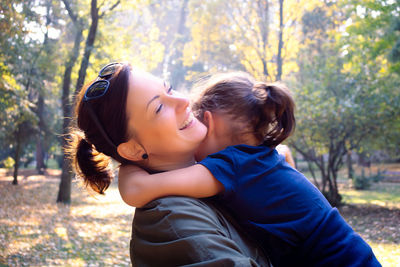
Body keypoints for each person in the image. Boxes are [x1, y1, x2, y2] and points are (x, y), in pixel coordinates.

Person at [118, 72, 381, 267]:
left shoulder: (230, 166)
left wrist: (127, 166)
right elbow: (284, 155)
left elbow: (138, 191)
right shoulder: (260, 159)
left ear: (208, 121)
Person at [69, 63, 271, 266]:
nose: (183, 100)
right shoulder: (170, 218)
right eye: (159, 107)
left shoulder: (220, 167)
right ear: (133, 149)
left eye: (170, 89)